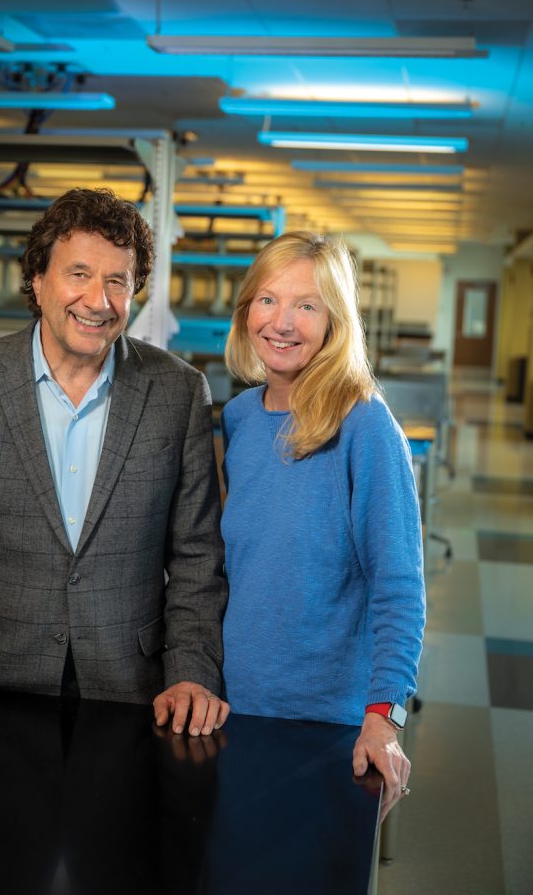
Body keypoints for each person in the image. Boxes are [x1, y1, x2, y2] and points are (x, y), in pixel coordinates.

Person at [0, 187, 229, 738]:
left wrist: (192, 671)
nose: (99, 300)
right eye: (80, 274)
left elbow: (196, 557)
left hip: (133, 689)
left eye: (118, 281)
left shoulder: (179, 393)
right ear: (37, 280)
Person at [220, 231, 425, 809]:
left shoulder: (365, 426)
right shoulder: (238, 418)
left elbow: (399, 586)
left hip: (329, 724)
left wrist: (384, 717)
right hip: (238, 708)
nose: (281, 322)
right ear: (246, 310)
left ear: (335, 321)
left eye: (306, 306)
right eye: (267, 299)